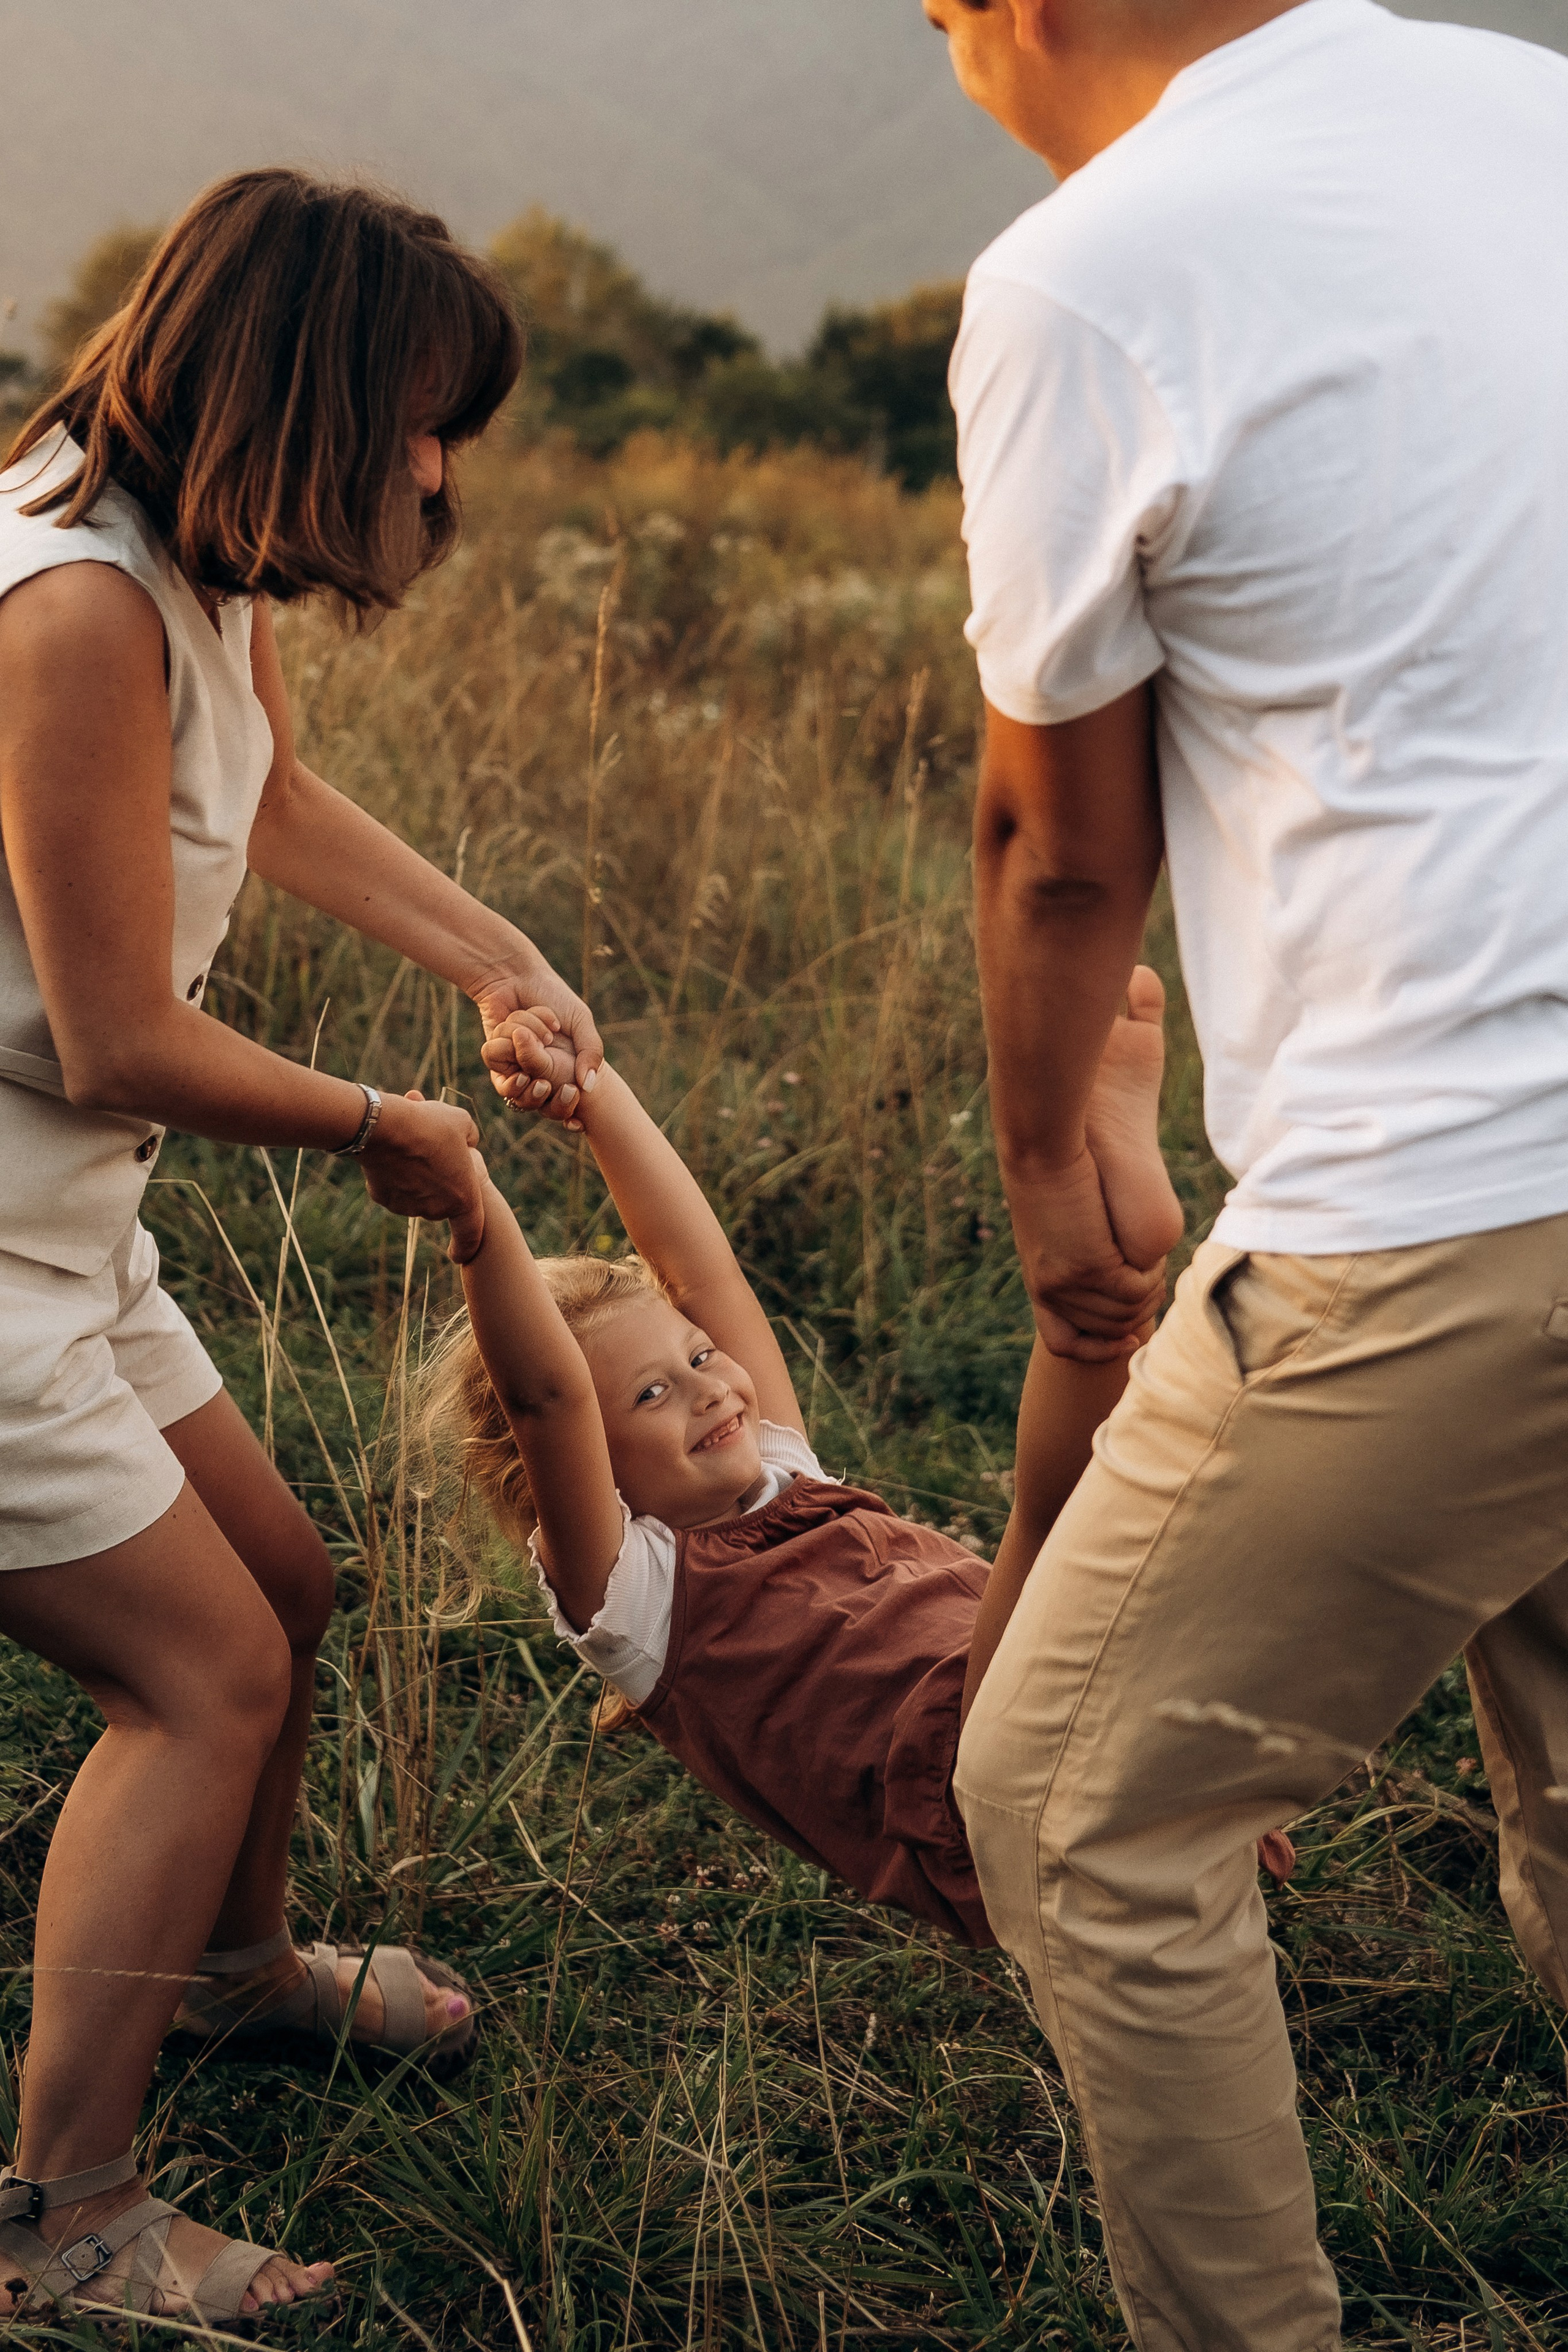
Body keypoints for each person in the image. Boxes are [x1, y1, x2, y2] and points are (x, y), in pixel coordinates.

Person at [925, 0, 1568, 2343]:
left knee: (1082, 1807)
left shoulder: (1097, 267)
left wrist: (1046, 1184)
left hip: (1460, 1189)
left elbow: (1055, 845)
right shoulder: (1535, 105)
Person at [0, 168, 602, 2323]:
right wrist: (390, 1125)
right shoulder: (66, 604)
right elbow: (115, 1032)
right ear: (310, 392)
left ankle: (237, 1971)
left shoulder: (188, 548)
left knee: (285, 1581)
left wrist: (494, 956)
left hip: (62, 1238)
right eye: (424, 419)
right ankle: (65, 2222)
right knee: (204, 1672)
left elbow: (264, 799)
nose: (437, 471)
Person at [413, 984, 1294, 1940]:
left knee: (1219, 1559)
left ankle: (1114, 1266)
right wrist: (474, 1212)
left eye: (700, 1358)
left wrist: (593, 1088)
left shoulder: (782, 1471)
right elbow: (547, 1399)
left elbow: (701, 1271)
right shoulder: (636, 1599)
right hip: (977, 1772)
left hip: (1056, 1685)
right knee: (1070, 1519)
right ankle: (1101, 1274)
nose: (710, 1390)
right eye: (651, 1396)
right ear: (574, 1467)